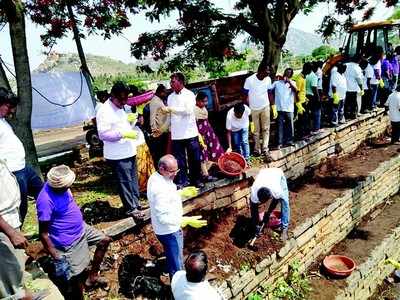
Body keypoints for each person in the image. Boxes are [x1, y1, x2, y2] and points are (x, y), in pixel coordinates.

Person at [36, 165, 111, 299]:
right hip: (67, 240)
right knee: (74, 276)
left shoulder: (63, 188)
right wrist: (56, 255)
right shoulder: (45, 200)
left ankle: (92, 277)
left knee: (104, 240)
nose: (70, 186)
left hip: (81, 228)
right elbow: (43, 233)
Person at [147, 155, 207, 278]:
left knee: (172, 254)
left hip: (168, 229)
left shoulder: (158, 177)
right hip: (170, 231)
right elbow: (163, 218)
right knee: (177, 262)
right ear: (162, 169)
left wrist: (180, 193)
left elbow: (167, 197)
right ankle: (177, 284)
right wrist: (183, 221)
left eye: (176, 171)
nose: (175, 174)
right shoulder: (158, 188)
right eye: (172, 172)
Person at [96, 81, 144, 219]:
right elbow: (103, 134)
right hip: (117, 154)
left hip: (129, 149)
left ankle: (136, 204)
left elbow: (123, 126)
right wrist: (121, 134)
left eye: (126, 99)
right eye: (121, 99)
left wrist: (131, 120)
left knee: (133, 180)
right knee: (124, 182)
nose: (124, 102)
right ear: (113, 96)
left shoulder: (120, 108)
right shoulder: (104, 111)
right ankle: (131, 208)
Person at [0, 87, 43, 224]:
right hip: (12, 172)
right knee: (20, 207)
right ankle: (15, 237)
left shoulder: (2, 120)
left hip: (24, 167)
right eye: (9, 106)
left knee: (43, 194)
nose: (12, 110)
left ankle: (50, 227)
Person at [163, 73, 204, 189]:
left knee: (194, 158)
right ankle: (182, 181)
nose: (171, 84)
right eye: (170, 82)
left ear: (181, 82)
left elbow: (187, 111)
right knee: (179, 160)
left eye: (173, 81)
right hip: (177, 133)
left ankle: (197, 180)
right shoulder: (170, 97)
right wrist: (166, 128)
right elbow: (170, 115)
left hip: (190, 132)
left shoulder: (189, 95)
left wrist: (171, 109)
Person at [243, 64, 276, 157]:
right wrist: (247, 110)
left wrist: (273, 106)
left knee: (266, 129)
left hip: (265, 106)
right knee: (255, 130)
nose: (269, 72)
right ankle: (257, 149)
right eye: (267, 70)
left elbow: (269, 93)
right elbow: (245, 96)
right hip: (253, 109)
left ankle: (265, 148)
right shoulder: (249, 80)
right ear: (260, 71)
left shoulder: (268, 79)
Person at [250, 167, 290, 241]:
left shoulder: (277, 190)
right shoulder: (254, 193)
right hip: (264, 173)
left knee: (285, 202)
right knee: (256, 218)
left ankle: (284, 229)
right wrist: (256, 225)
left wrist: (268, 213)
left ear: (271, 196)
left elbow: (276, 202)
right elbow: (253, 209)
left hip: (278, 174)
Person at [195, 91, 224, 181]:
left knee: (216, 149)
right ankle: (205, 174)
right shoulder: (194, 110)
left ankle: (217, 168)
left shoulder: (203, 109)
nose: (206, 103)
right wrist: (199, 137)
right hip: (201, 135)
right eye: (203, 101)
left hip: (209, 133)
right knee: (203, 153)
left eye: (206, 101)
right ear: (198, 101)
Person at [270, 68, 297, 148]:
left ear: (291, 75)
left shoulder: (293, 82)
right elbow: (269, 91)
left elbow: (296, 90)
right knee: (279, 126)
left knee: (290, 125)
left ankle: (290, 140)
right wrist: (273, 104)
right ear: (284, 73)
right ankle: (279, 143)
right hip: (279, 108)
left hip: (289, 108)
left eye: (290, 73)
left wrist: (289, 82)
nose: (288, 74)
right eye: (287, 72)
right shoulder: (277, 83)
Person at [147, 84, 170, 164]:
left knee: (163, 152)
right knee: (160, 154)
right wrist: (154, 130)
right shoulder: (155, 101)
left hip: (163, 130)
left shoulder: (159, 99)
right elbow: (152, 116)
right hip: (158, 132)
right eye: (165, 93)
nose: (166, 94)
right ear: (160, 92)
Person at [293, 63, 311, 140]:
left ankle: (303, 133)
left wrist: (305, 97)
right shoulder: (299, 79)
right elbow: (296, 92)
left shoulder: (303, 77)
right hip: (299, 103)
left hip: (303, 101)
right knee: (300, 120)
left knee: (304, 119)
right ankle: (300, 135)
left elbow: (302, 91)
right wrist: (298, 104)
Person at [306, 63, 322, 134]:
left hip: (306, 96)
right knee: (317, 112)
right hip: (312, 96)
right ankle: (316, 129)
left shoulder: (306, 75)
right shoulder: (313, 76)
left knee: (309, 114)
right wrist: (318, 98)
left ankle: (310, 129)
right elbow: (314, 88)